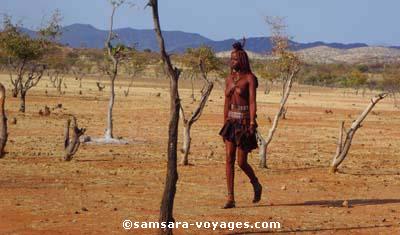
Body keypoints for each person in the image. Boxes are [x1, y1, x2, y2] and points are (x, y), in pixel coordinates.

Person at [219, 41, 262, 209]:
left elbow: (252, 102)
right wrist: (224, 123)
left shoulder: (250, 79)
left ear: (242, 60)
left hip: (244, 122)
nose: (232, 61)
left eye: (235, 59)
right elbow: (226, 102)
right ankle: (231, 198)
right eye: (231, 58)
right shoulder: (229, 79)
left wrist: (252, 122)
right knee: (228, 158)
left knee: (241, 162)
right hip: (231, 122)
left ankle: (256, 183)